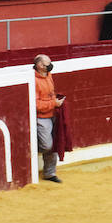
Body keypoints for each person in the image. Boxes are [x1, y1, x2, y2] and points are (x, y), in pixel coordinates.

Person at [33, 54, 64, 184]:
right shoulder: (33, 80)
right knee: (47, 145)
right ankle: (33, 149)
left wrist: (55, 101)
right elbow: (36, 104)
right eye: (47, 64)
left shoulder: (48, 75)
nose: (50, 66)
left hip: (52, 114)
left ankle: (50, 173)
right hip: (41, 117)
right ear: (39, 65)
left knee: (53, 144)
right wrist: (53, 104)